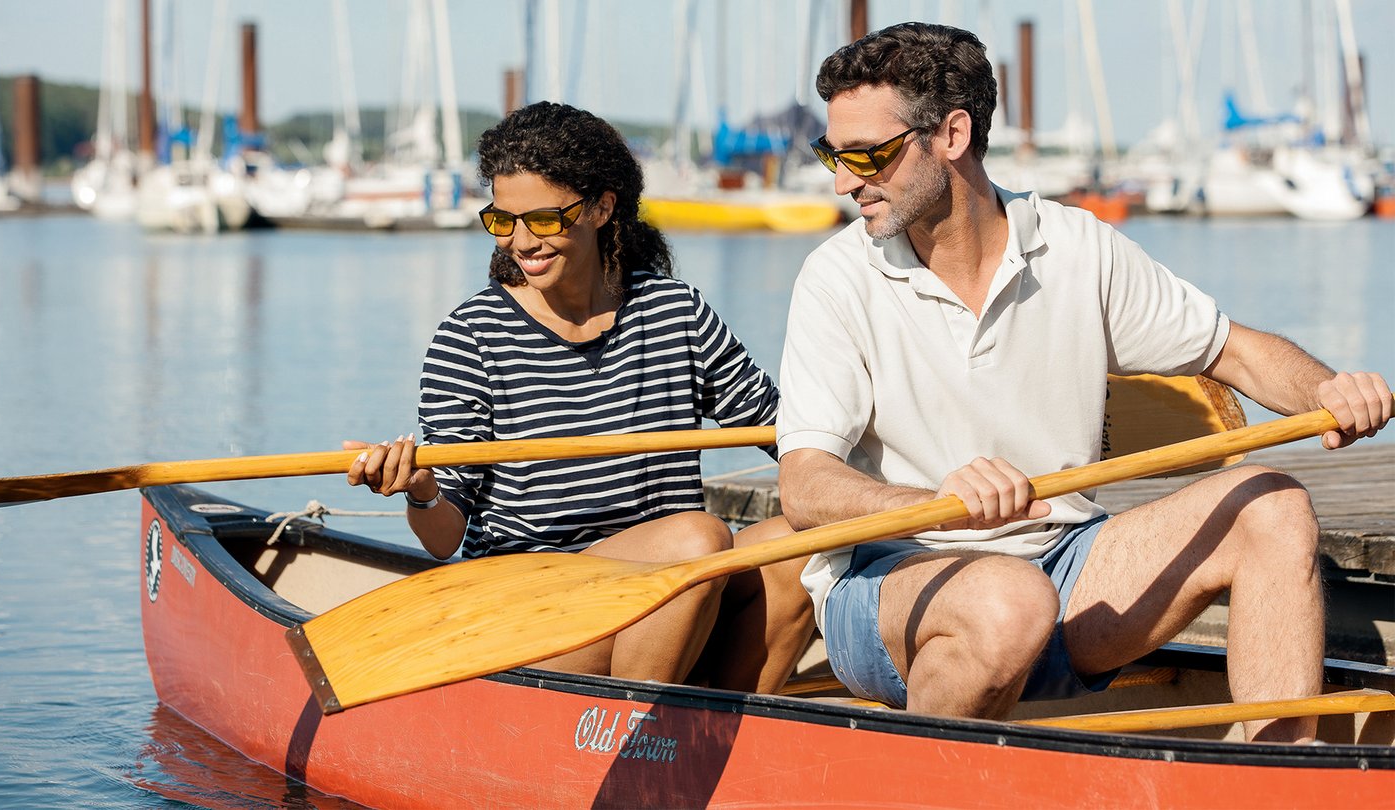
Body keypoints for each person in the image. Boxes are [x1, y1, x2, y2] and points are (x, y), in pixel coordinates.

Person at [777, 22, 1390, 742]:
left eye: (866, 156)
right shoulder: (837, 277)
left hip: (1064, 569)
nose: (845, 181)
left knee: (1273, 504)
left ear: (952, 135)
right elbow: (804, 486)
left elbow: (1236, 351)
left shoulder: (1075, 247)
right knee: (1008, 599)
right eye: (832, 155)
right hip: (890, 581)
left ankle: (1275, 778)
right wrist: (931, 505)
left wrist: (1327, 393)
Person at [346, 102, 813, 692]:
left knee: (802, 544)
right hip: (529, 610)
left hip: (674, 593)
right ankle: (635, 744)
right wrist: (419, 490)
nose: (520, 241)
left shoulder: (677, 312)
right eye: (502, 221)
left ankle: (735, 728)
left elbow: (791, 439)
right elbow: (442, 540)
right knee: (697, 538)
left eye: (542, 220)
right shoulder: (471, 335)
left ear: (601, 208)